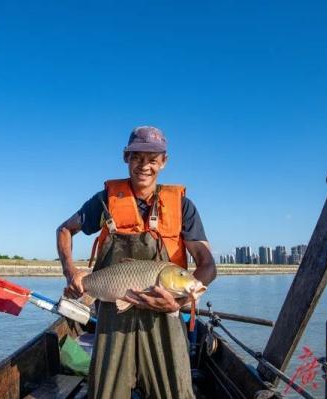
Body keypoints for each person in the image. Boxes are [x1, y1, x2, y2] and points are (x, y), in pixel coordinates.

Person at [56, 126, 216, 399]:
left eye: (152, 160)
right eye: (137, 158)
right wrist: (71, 272)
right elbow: (64, 230)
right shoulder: (105, 201)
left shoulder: (181, 206)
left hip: (164, 318)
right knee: (105, 392)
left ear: (163, 162)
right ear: (125, 158)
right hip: (113, 315)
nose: (144, 166)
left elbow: (208, 266)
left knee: (175, 391)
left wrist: (177, 303)